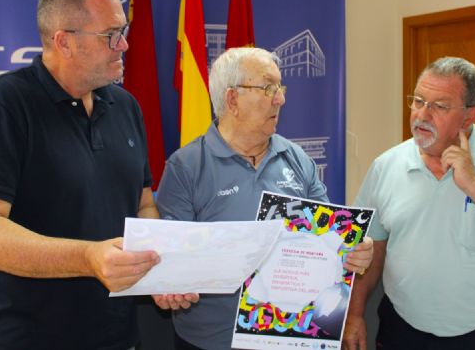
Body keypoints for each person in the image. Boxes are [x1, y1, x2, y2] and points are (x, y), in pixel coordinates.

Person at [0, 0, 195, 350]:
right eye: (111, 34)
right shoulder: (4, 105)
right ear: (64, 42)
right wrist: (88, 258)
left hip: (115, 334)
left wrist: (159, 271)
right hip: (23, 337)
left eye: (123, 30)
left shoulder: (125, 106)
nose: (125, 44)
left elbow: (143, 203)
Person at [155, 47, 374, 350]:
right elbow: (171, 262)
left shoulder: (296, 158)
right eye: (268, 87)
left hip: (290, 336)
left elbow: (330, 236)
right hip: (211, 342)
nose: (281, 98)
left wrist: (356, 249)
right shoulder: (186, 167)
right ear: (232, 100)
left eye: (280, 88)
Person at [343, 57, 475, 350]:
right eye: (419, 101)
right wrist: (355, 313)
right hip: (404, 330)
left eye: (440, 106)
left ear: (469, 116)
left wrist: (474, 185)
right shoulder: (386, 166)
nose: (422, 114)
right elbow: (370, 250)